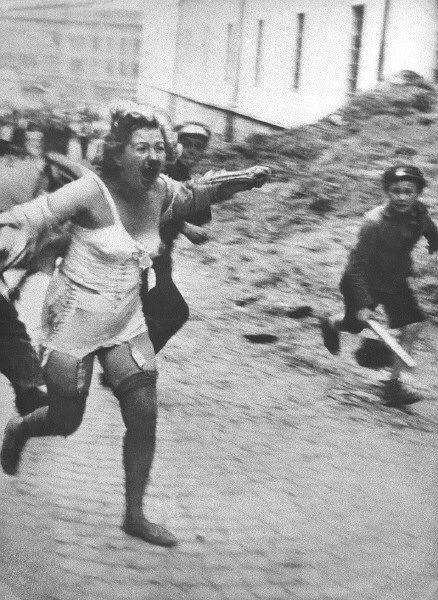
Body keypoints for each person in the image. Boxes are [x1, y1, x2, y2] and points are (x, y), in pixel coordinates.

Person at [0, 103, 270, 547]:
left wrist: (241, 181)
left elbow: (194, 196)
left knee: (144, 415)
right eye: (141, 147)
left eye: (159, 148)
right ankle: (21, 428)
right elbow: (29, 218)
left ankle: (134, 515)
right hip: (73, 321)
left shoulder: (160, 190)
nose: (153, 156)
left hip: (125, 320)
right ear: (117, 152)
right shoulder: (89, 191)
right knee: (67, 419)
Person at [320, 164, 438, 390]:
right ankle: (331, 323)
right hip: (363, 283)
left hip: (395, 280)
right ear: (387, 191)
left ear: (418, 193)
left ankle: (393, 384)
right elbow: (356, 267)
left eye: (409, 191)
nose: (402, 197)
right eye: (396, 191)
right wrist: (364, 303)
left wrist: (434, 242)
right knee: (354, 326)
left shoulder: (419, 213)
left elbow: (428, 228)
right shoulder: (374, 222)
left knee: (413, 325)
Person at [141, 121, 212, 353]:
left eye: (198, 146)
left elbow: (202, 218)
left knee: (164, 312)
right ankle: (130, 364)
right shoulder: (161, 170)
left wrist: (205, 190)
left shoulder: (184, 175)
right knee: (171, 312)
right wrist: (184, 227)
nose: (192, 151)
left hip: (161, 258)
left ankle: (129, 363)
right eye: (187, 144)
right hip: (140, 255)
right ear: (175, 145)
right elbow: (148, 206)